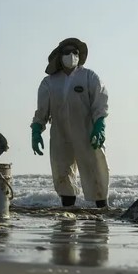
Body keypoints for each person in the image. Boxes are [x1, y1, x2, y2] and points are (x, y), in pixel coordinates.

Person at [30, 37, 110, 208]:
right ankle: (68, 217)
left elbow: (100, 103)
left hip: (87, 133)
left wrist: (99, 125)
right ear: (60, 56)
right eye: (67, 52)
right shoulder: (49, 82)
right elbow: (42, 111)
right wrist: (36, 130)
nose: (72, 55)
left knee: (96, 171)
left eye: (75, 52)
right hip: (60, 134)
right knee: (63, 172)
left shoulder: (89, 76)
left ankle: (102, 214)